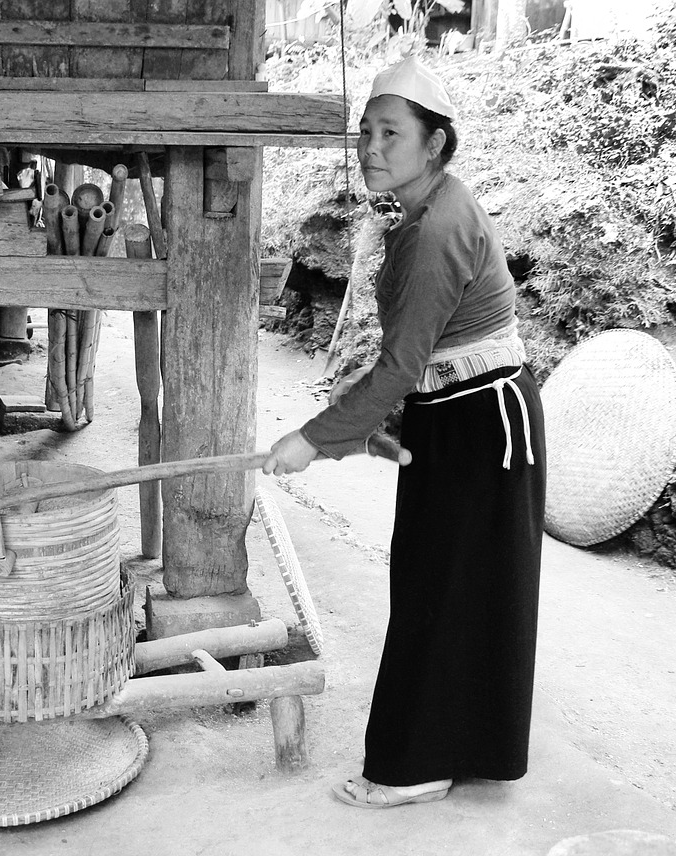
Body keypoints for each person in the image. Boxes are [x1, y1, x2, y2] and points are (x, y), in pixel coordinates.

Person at [263, 55, 547, 808]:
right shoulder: (419, 211)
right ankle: (462, 747)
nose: (371, 149)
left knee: (447, 588)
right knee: (446, 584)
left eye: (391, 133)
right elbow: (413, 366)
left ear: (436, 144)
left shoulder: (437, 227)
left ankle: (419, 763)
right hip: (454, 414)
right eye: (366, 134)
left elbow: (397, 365)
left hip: (484, 422)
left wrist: (314, 439)